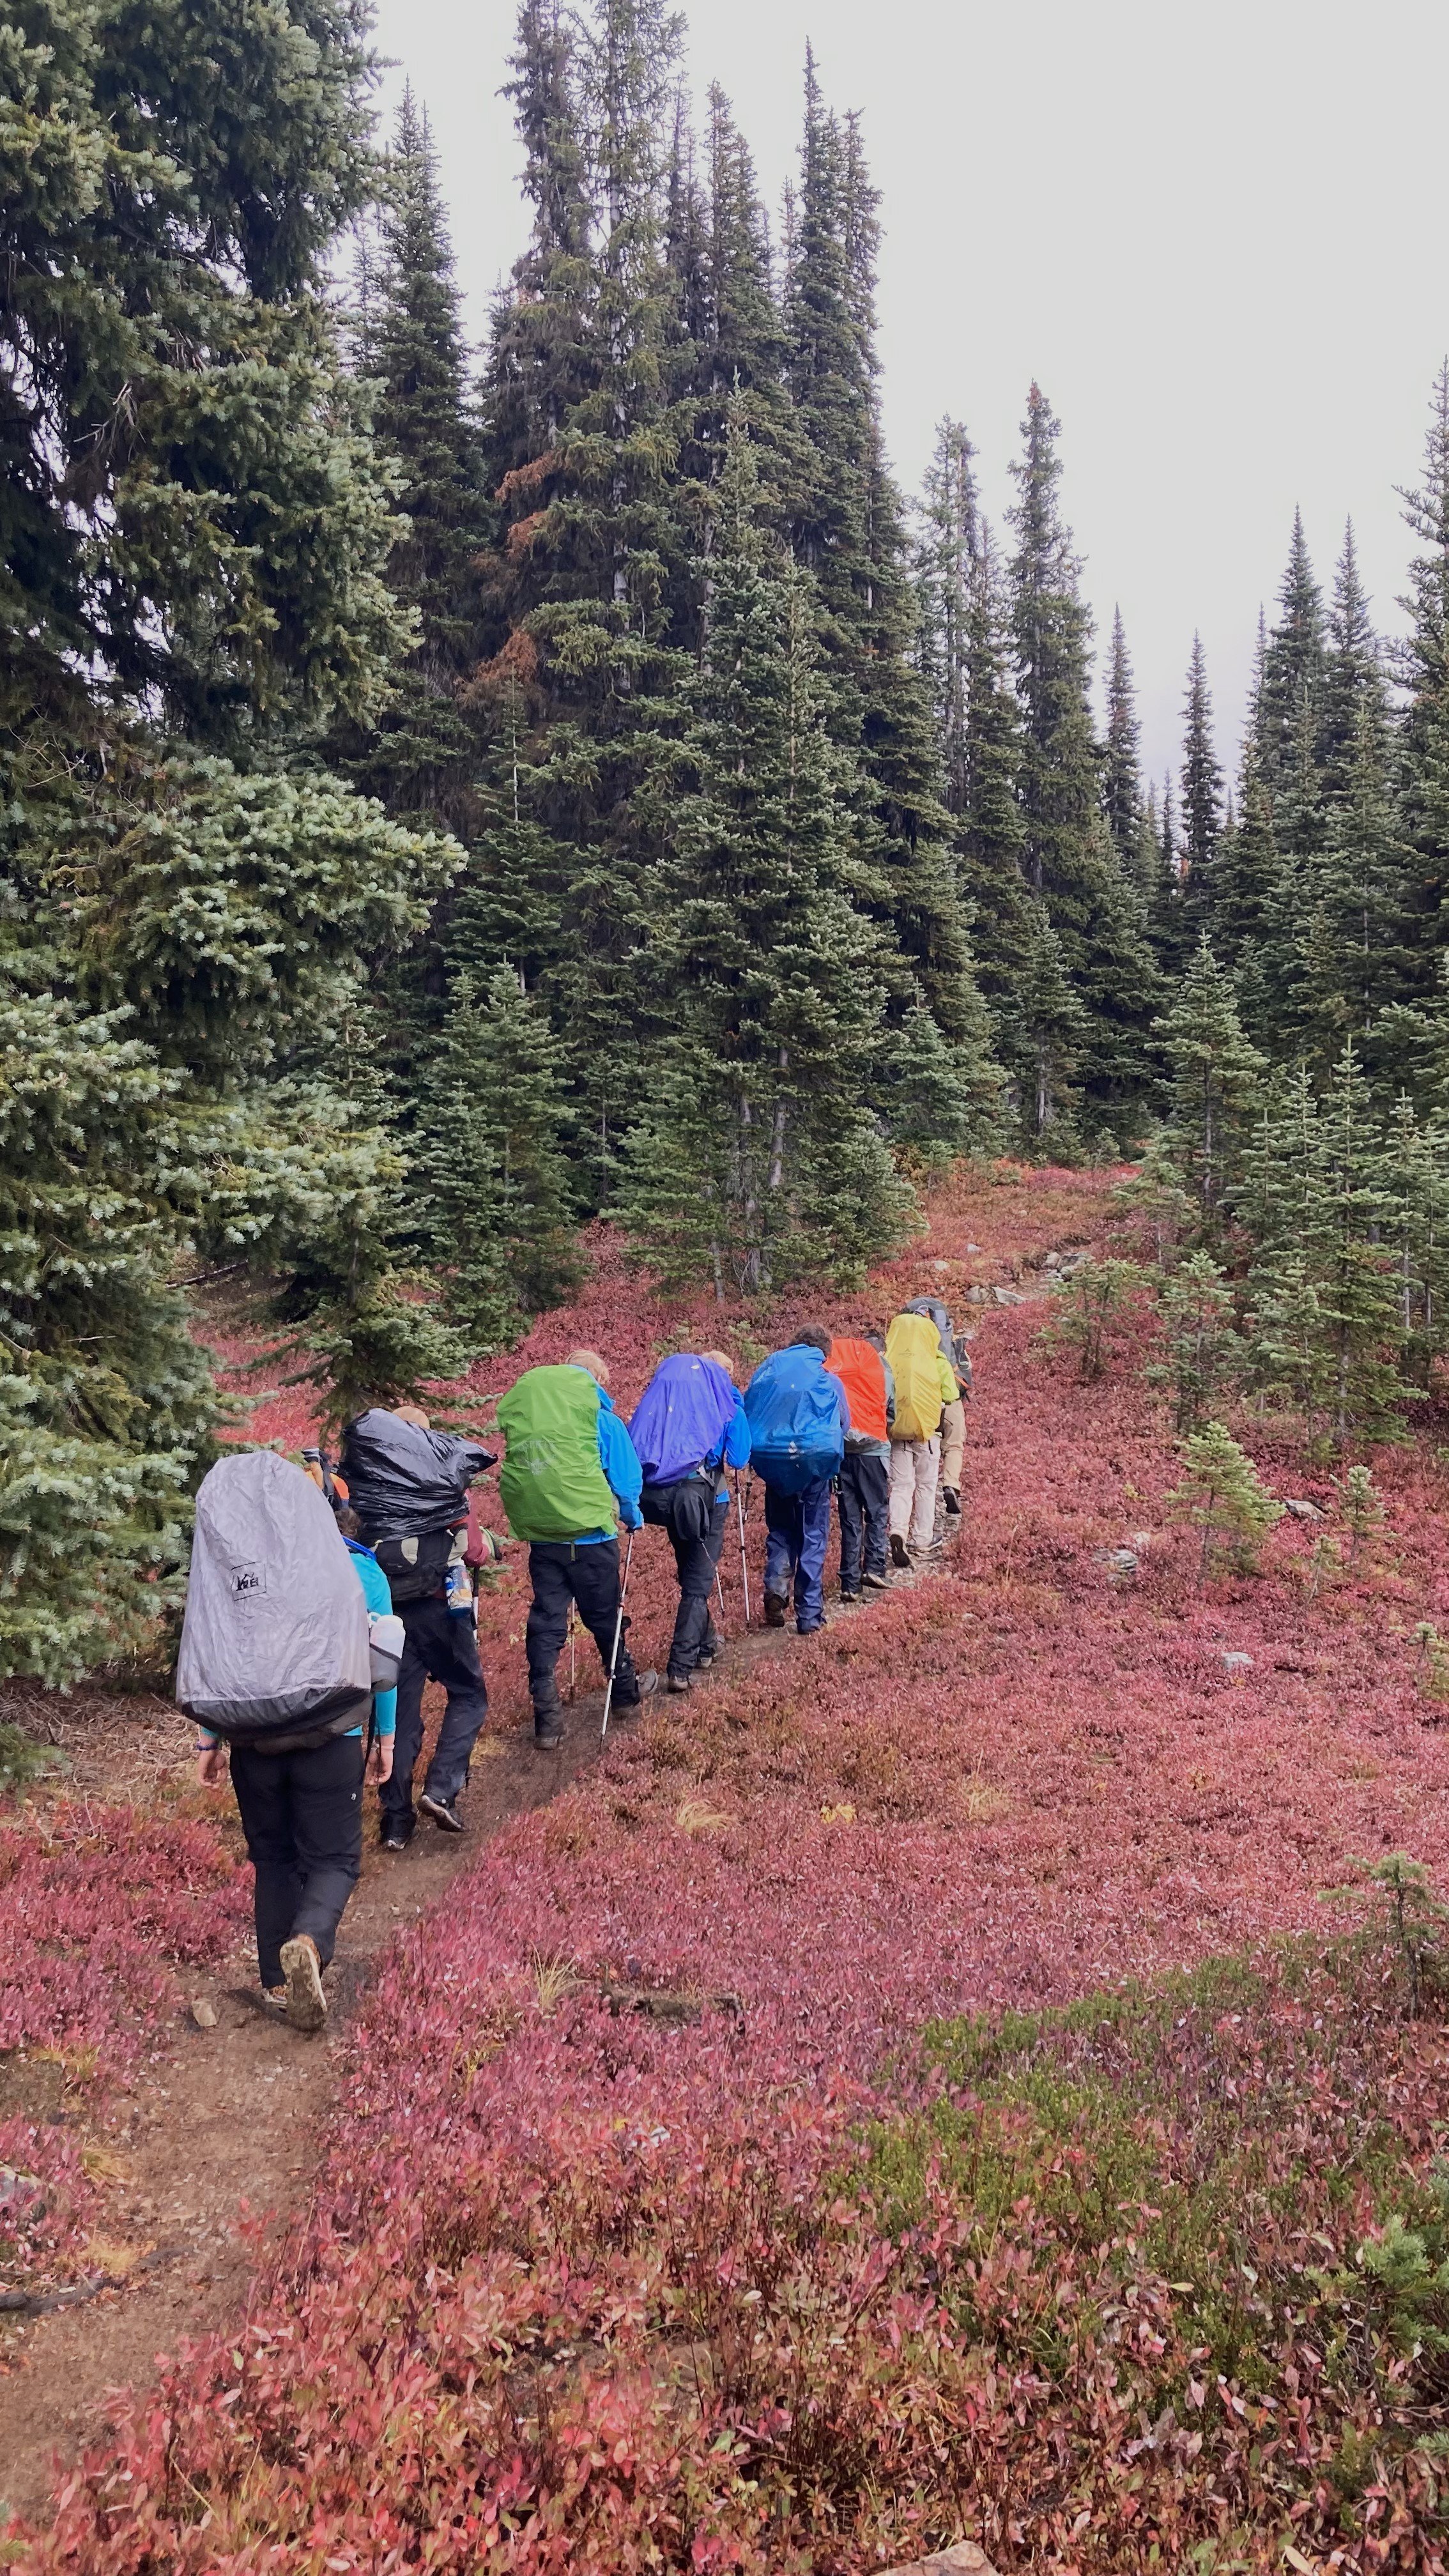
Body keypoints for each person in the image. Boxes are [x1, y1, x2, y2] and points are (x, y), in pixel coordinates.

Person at [194, 1506, 396, 2032]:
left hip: (253, 1740)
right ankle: (307, 1942)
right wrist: (386, 1740)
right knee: (334, 1859)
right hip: (331, 1740)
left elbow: (219, 1654)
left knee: (274, 1858)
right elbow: (382, 1663)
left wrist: (209, 1740)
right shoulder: (362, 1572)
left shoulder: (249, 1575)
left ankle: (277, 1983)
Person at [341, 1403, 493, 1850]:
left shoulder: (359, 1489)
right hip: (438, 1608)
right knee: (468, 1692)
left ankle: (396, 1822)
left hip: (386, 1614)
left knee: (398, 1712)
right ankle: (442, 1788)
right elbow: (475, 1551)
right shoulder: (441, 1482)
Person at [496, 1348, 658, 1748]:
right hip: (592, 1538)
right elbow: (625, 1479)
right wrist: (633, 1515)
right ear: (594, 1383)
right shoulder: (603, 1421)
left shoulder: (538, 1424)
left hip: (544, 1538)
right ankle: (623, 1693)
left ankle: (547, 1716)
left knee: (548, 1618)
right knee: (605, 1616)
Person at [631, 1350, 752, 1692]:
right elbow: (740, 1458)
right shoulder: (725, 1405)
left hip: (669, 1502)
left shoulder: (667, 1404)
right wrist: (737, 1409)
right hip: (709, 1503)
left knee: (691, 1573)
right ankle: (680, 1667)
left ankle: (708, 1644)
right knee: (698, 1584)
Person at [743, 1330, 849, 1637]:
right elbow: (844, 1422)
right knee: (813, 1537)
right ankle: (809, 1615)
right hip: (814, 1470)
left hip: (776, 1468)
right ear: (823, 1353)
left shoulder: (773, 1378)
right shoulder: (829, 1381)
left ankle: (776, 1586)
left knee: (781, 1531)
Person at [884, 1308, 958, 1568]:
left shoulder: (888, 1360)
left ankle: (898, 1532)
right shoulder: (938, 1361)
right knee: (926, 1486)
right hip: (929, 1434)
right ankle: (923, 1537)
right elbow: (951, 1395)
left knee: (902, 1486)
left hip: (897, 1434)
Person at [825, 1328, 895, 1599]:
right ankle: (875, 1567)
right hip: (874, 1452)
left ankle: (849, 1584)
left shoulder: (838, 1372)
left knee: (850, 1518)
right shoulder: (884, 1372)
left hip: (843, 1452)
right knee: (876, 1511)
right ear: (879, 1350)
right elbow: (891, 1412)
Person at [905, 1296, 974, 1517]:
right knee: (954, 1446)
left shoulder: (904, 1343)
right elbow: (965, 1371)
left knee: (918, 1449)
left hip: (920, 1403)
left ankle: (914, 1500)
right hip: (950, 1401)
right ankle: (951, 1485)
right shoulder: (950, 1343)